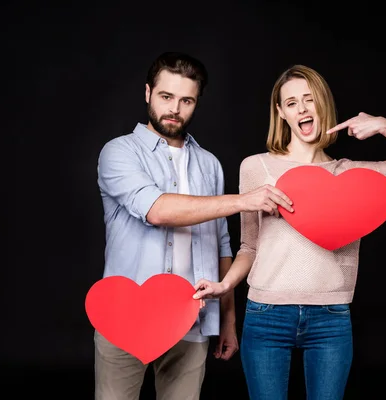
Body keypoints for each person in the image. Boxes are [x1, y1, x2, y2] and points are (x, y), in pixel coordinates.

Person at [193, 64, 386, 400]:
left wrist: (384, 126)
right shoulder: (256, 167)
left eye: (309, 100)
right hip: (266, 315)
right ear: (281, 113)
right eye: (292, 102)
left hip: (331, 318)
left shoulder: (353, 176)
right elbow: (249, 247)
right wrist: (225, 285)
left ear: (322, 104)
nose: (302, 108)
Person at [94, 51, 293, 400]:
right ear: (147, 94)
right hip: (124, 317)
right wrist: (242, 200)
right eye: (166, 97)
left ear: (197, 102)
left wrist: (228, 322)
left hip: (191, 320)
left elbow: (220, 247)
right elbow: (156, 210)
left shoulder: (209, 165)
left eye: (186, 100)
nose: (175, 109)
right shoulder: (119, 152)